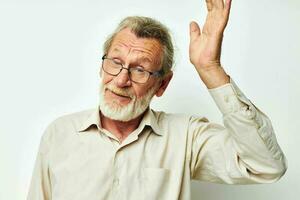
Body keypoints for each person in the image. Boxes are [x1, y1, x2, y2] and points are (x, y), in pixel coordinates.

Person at [27, 0, 287, 199]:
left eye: (140, 70)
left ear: (162, 84)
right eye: (115, 62)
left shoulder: (186, 137)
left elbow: (266, 165)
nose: (120, 80)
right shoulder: (59, 134)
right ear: (101, 67)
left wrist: (210, 68)